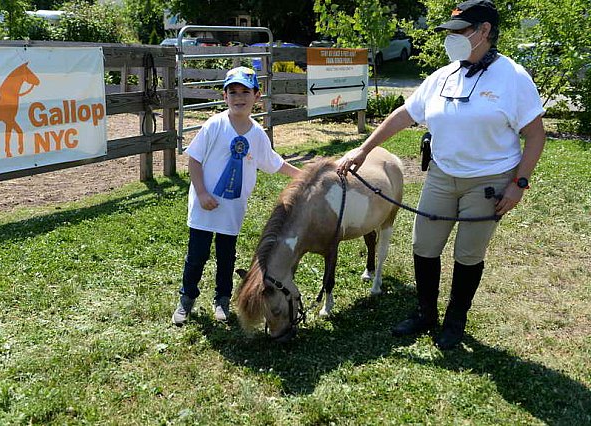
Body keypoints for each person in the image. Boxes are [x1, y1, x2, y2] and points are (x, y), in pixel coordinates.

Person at [337, 0, 546, 349]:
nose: (452, 39)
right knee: (424, 244)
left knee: (468, 253)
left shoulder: (513, 77)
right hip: (441, 174)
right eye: (450, 32)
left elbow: (536, 135)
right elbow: (405, 114)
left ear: (484, 32)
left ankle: (455, 319)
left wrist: (518, 184)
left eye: (460, 31)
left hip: (489, 181)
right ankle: (425, 313)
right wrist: (365, 149)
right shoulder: (444, 74)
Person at [172, 66, 301, 326]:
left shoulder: (257, 134)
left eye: (245, 91)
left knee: (226, 255)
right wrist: (201, 192)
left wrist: (305, 175)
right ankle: (187, 298)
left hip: (232, 209)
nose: (239, 97)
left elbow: (274, 163)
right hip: (204, 205)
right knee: (196, 254)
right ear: (224, 97)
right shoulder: (214, 125)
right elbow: (194, 160)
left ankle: (221, 299)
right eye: (233, 92)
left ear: (257, 96)